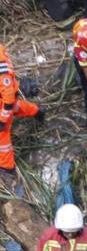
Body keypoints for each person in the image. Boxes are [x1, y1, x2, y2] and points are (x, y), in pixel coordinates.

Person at [0, 43, 43, 186]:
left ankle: (7, 169)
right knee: (16, 108)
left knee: (2, 137)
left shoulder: (1, 68)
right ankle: (36, 111)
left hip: (4, 100)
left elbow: (8, 97)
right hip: (6, 98)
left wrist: (2, 119)